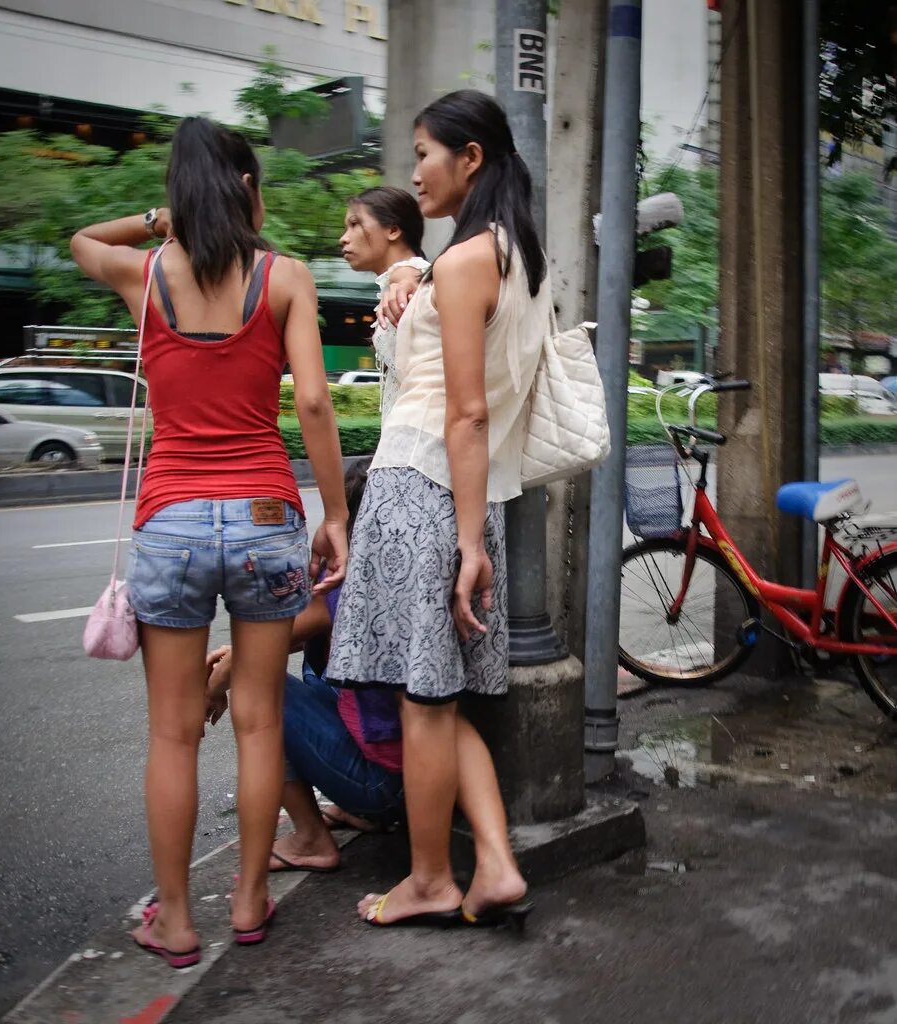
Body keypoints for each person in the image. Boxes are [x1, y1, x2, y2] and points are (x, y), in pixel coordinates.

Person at [70, 116, 349, 967]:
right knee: (259, 724)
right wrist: (334, 514)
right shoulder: (285, 277)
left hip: (173, 520)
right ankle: (252, 897)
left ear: (178, 191)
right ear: (247, 186)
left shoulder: (144, 273)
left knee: (173, 733)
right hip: (266, 515)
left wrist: (161, 221)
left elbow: (79, 240)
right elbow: (311, 404)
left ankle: (179, 922)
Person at [326, 90, 549, 928]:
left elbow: (465, 411)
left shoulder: (461, 263)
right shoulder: (515, 253)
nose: (413, 170)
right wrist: (412, 281)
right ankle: (492, 865)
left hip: (424, 489)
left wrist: (464, 546)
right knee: (440, 697)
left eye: (423, 152)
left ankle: (429, 879)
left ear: (471, 158)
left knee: (422, 704)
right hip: (466, 494)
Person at [203, 459, 405, 876]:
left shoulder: (346, 591)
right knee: (287, 666)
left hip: (384, 784)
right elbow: (285, 638)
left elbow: (259, 654)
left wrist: (214, 686)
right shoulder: (400, 574)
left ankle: (311, 837)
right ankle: (356, 811)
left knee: (255, 687)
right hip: (411, 780)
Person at [339, 186, 431, 415]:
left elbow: (410, 273)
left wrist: (405, 280)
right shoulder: (396, 284)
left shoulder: (410, 279)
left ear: (392, 229)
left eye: (354, 225)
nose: (343, 239)